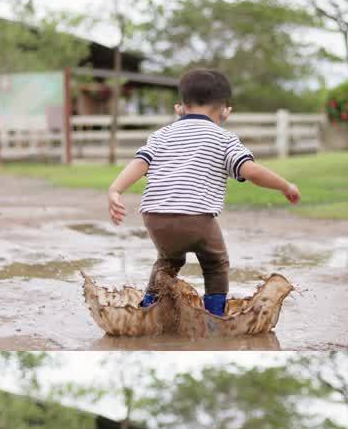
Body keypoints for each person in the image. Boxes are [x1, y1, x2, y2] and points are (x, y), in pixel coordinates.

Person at [106, 68, 301, 316]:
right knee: (215, 263)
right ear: (225, 110)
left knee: (168, 260)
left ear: (180, 107)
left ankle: (147, 309)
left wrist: (116, 190)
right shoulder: (223, 138)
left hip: (155, 217)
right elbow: (250, 171)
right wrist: (286, 186)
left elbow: (140, 163)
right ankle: (214, 316)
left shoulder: (161, 135)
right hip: (196, 217)